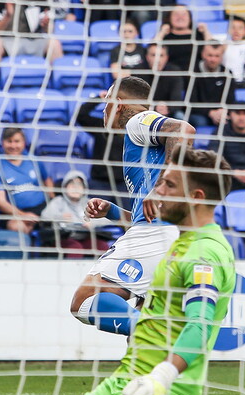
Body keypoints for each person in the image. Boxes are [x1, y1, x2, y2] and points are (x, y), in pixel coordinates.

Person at [27, 147, 236, 395]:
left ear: (195, 197)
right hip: (127, 377)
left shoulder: (204, 253)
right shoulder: (180, 240)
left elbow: (200, 326)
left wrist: (163, 376)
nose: (156, 192)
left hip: (165, 389)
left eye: (167, 185)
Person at [69, 76, 195, 338]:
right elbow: (144, 215)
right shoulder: (141, 147)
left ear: (119, 103)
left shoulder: (139, 120)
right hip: (166, 235)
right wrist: (112, 212)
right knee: (138, 342)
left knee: (85, 300)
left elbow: (182, 130)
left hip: (156, 235)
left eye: (106, 103)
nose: (104, 110)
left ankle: (161, 336)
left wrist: (162, 185)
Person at [0, 127, 53, 236]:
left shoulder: (33, 160)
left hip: (42, 208)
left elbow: (47, 180)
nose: (13, 146)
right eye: (9, 141)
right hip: (14, 213)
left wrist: (53, 202)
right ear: (2, 143)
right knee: (17, 227)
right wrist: (23, 215)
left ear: (24, 143)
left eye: (17, 141)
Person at [40, 170, 115, 259]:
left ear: (84, 188)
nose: (75, 188)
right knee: (75, 247)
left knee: (102, 246)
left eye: (79, 185)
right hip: (62, 239)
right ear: (65, 187)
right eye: (72, 185)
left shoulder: (89, 202)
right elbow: (44, 216)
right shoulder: (58, 201)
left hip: (85, 237)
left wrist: (92, 223)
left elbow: (107, 219)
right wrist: (60, 217)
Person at [0, 2, 66, 63]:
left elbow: (49, 31)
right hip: (7, 41)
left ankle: (58, 82)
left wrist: (46, 25)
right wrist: (8, 16)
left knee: (54, 43)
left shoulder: (41, 2)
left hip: (33, 40)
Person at [186, 41, 237, 130]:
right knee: (200, 121)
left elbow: (231, 100)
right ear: (203, 55)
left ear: (222, 57)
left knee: (231, 121)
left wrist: (222, 111)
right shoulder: (193, 72)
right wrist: (211, 113)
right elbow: (191, 102)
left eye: (217, 56)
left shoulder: (227, 73)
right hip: (200, 114)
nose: (213, 59)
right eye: (210, 55)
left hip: (221, 114)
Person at [152, 4, 213, 73]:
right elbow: (152, 51)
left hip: (197, 75)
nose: (180, 17)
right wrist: (162, 32)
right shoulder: (165, 37)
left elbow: (213, 50)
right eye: (176, 14)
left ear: (190, 18)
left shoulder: (199, 35)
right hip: (172, 75)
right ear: (169, 18)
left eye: (184, 14)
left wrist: (205, 31)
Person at [135, 43, 186, 121]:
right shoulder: (138, 71)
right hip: (144, 111)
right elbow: (136, 99)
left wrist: (168, 107)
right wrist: (155, 107)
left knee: (180, 117)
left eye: (161, 55)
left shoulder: (175, 71)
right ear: (147, 57)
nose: (157, 60)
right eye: (153, 55)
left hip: (169, 111)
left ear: (166, 57)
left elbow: (177, 99)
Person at [222, 15, 245, 87]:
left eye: (240, 28)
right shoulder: (223, 45)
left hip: (244, 83)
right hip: (226, 82)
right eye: (233, 27)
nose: (236, 31)